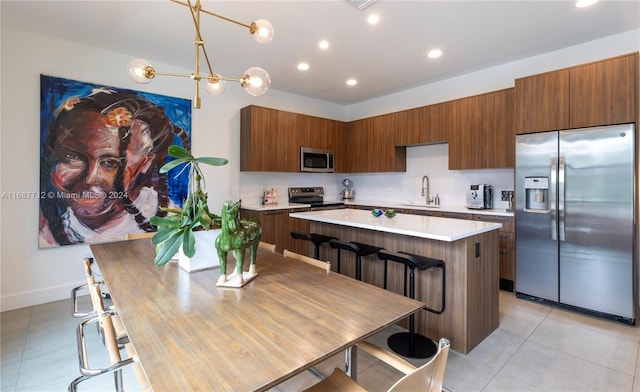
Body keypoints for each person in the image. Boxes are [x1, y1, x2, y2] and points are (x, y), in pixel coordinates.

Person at [39, 87, 190, 247]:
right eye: (73, 156)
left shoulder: (172, 224)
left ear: (144, 163)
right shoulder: (46, 230)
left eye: (110, 163)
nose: (90, 177)